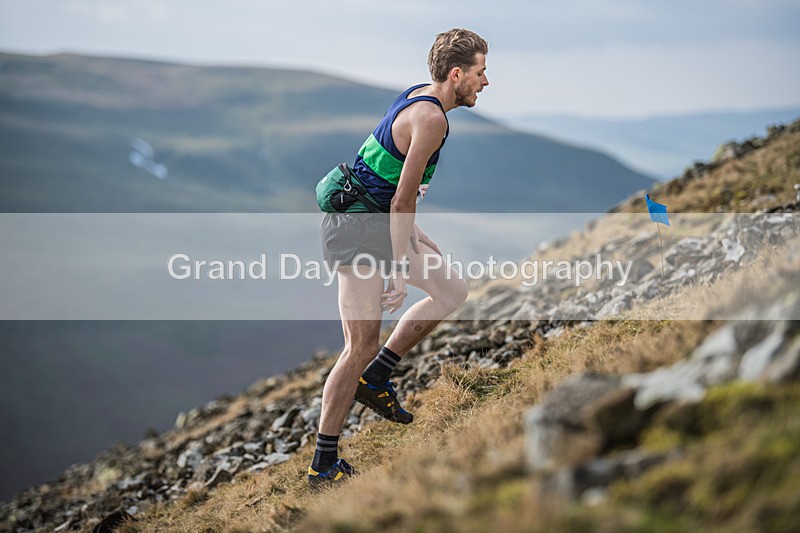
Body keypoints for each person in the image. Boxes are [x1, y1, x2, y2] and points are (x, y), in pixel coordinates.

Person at [308, 28, 490, 490]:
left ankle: (377, 378)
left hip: (373, 218)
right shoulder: (432, 120)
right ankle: (322, 465)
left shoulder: (419, 94)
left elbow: (383, 176)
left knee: (451, 291)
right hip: (357, 230)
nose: (485, 82)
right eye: (480, 72)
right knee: (358, 346)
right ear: (456, 74)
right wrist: (396, 267)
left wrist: (415, 238)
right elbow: (400, 199)